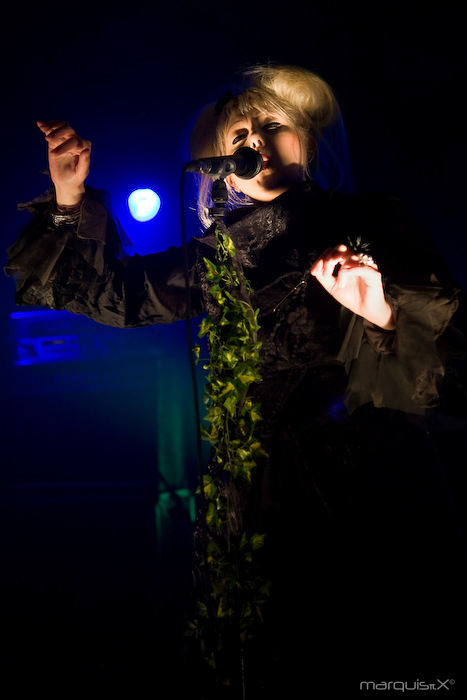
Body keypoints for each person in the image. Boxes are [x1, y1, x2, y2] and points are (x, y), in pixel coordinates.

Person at [5, 64, 466, 695]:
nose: (255, 141)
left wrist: (382, 310)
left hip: (366, 471)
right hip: (257, 489)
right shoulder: (218, 257)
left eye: (273, 126)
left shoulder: (370, 219)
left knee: (375, 645)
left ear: (303, 140)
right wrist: (68, 198)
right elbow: (107, 294)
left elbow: (452, 356)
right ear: (223, 161)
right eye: (240, 133)